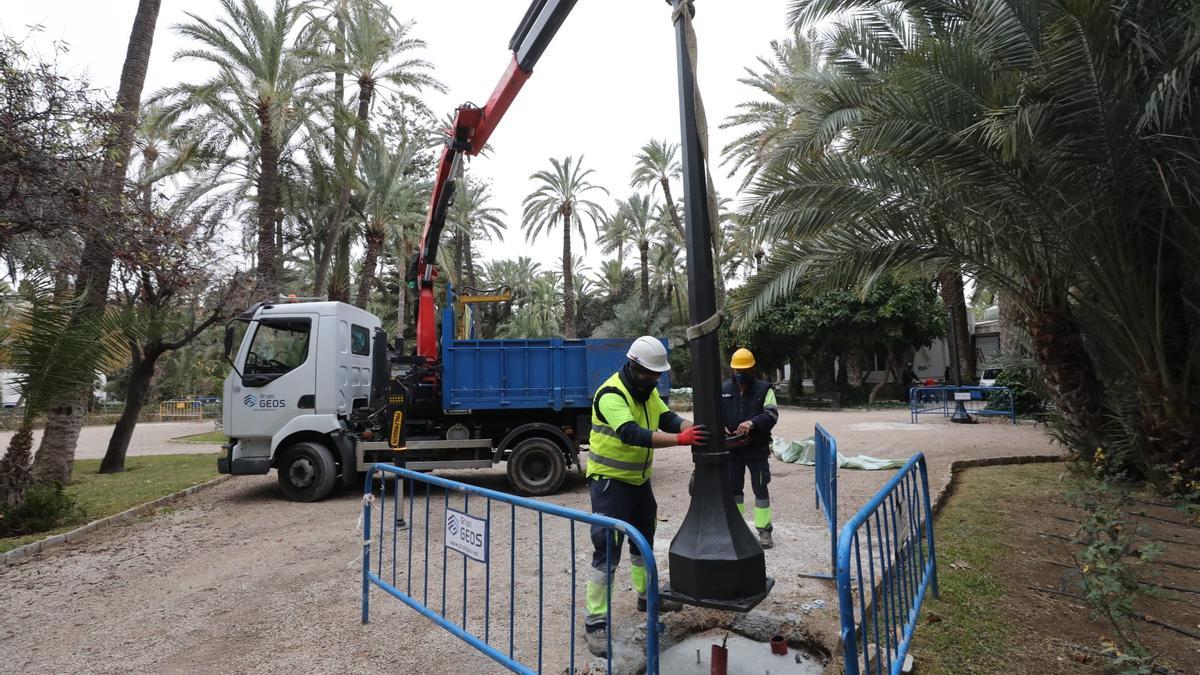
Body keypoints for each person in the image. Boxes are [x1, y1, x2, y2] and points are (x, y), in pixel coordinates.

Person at [583, 336, 709, 657]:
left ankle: (646, 597)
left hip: (639, 483)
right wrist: (681, 440)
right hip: (610, 484)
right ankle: (596, 622)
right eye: (649, 374)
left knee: (643, 543)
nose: (653, 380)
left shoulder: (647, 392)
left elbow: (667, 418)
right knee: (607, 551)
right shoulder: (611, 394)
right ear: (633, 366)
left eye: (657, 375)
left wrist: (695, 429)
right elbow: (631, 434)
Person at [721, 348, 779, 549]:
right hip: (733, 450)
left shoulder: (765, 389)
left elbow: (772, 415)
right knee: (734, 490)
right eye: (737, 370)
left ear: (752, 369)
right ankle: (737, 530)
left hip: (757, 449)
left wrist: (751, 423)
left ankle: (764, 530)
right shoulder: (725, 389)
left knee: (760, 488)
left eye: (743, 370)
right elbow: (715, 415)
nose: (739, 374)